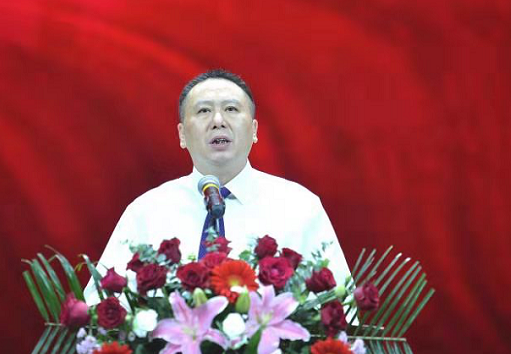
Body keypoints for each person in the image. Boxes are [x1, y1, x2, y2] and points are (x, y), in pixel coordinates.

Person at [84, 70, 351, 305]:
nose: (218, 120)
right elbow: (101, 309)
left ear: (254, 130)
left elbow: (340, 310)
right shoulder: (146, 212)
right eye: (203, 111)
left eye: (232, 109)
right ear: (182, 135)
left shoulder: (300, 207)